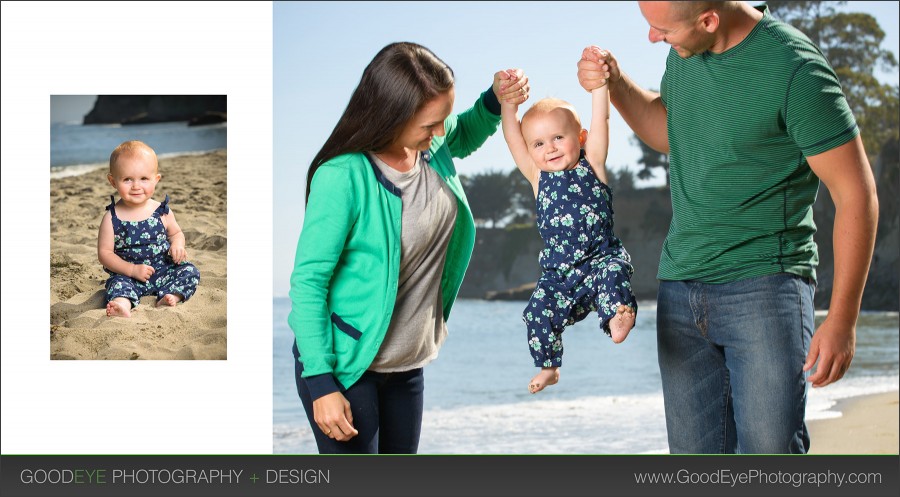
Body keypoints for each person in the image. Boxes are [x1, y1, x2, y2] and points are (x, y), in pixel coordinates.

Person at [577, 2, 878, 453]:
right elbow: (669, 130)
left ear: (709, 21)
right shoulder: (686, 54)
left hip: (765, 291)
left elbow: (856, 195)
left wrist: (842, 320)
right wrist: (616, 84)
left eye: (662, 30)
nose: (653, 38)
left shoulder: (796, 69)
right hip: (680, 290)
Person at [288, 42, 529, 454]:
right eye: (429, 125)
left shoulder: (429, 147)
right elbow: (309, 284)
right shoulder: (342, 176)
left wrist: (494, 99)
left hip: (407, 366)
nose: (440, 135)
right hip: (347, 368)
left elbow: (464, 132)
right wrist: (320, 382)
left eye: (443, 121)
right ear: (391, 115)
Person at [500, 68, 637, 394]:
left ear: (581, 138)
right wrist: (508, 106)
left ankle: (618, 313)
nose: (549, 148)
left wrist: (599, 87)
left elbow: (602, 121)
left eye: (558, 137)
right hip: (559, 277)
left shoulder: (594, 164)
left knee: (613, 273)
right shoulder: (537, 176)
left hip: (600, 259)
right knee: (536, 313)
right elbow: (511, 137)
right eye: (539, 143)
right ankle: (549, 367)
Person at [98, 140, 200, 318]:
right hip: (130, 276)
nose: (136, 186)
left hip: (163, 271)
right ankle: (122, 305)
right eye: (127, 179)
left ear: (156, 179)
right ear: (113, 181)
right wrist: (131, 270)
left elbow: (176, 233)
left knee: (190, 271)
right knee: (118, 285)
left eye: (144, 179)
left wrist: (177, 245)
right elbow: (105, 254)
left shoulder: (161, 211)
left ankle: (170, 296)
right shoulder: (111, 218)